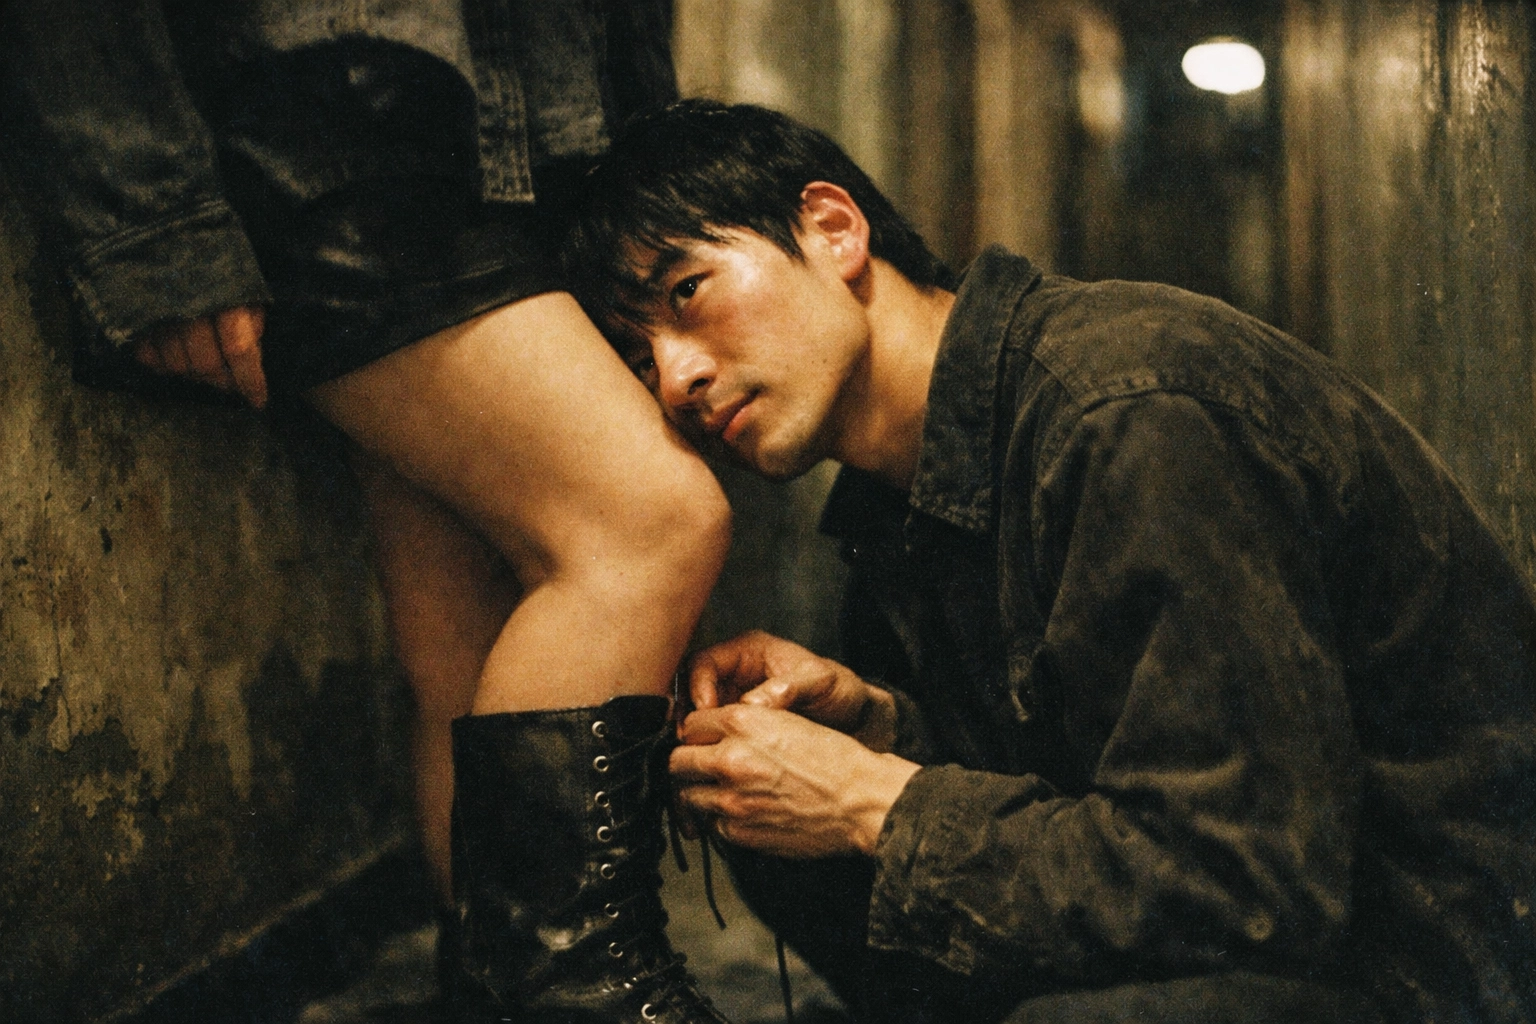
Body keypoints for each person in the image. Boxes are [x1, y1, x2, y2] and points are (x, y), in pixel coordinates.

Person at [564, 99, 1536, 1024]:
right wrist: (881, 729)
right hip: (1276, 935)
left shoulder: (1128, 416)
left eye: (687, 294)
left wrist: (873, 799)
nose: (676, 378)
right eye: (640, 356)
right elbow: (1096, 753)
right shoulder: (901, 483)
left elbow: (1247, 879)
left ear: (831, 228)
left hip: (1421, 959)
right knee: (772, 812)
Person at [1, 5, 735, 1022]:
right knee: (650, 518)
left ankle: (517, 993)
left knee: (474, 625)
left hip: (544, 150)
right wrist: (150, 225)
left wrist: (647, 179)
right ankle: (573, 993)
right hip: (346, 126)